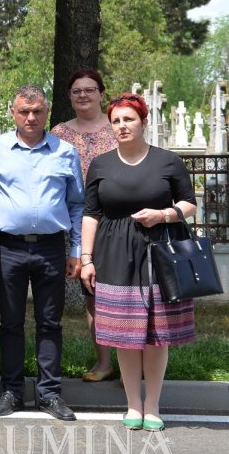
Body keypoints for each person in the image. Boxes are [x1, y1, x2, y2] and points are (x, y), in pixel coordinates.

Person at [80, 93, 197, 432]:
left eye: (128, 119)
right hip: (114, 253)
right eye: (116, 121)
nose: (122, 126)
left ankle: (154, 405)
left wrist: (162, 215)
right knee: (125, 333)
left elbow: (189, 204)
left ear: (143, 122)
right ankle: (133, 405)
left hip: (161, 251)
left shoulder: (168, 161)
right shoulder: (100, 165)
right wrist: (87, 259)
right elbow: (91, 214)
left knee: (156, 334)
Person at [0, 86, 83, 422]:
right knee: (10, 323)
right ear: (13, 111)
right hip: (8, 247)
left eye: (37, 111)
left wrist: (77, 250)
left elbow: (77, 204)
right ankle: (11, 391)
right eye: (24, 111)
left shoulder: (65, 152)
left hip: (52, 247)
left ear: (47, 111)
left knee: (50, 323)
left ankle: (50, 394)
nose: (31, 117)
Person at [52, 69, 119, 382]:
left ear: (101, 94)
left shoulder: (118, 126)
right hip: (82, 224)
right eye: (76, 90)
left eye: (89, 90)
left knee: (131, 293)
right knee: (93, 293)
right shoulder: (60, 134)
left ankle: (136, 361)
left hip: (122, 220)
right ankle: (103, 362)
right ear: (69, 96)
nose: (83, 95)